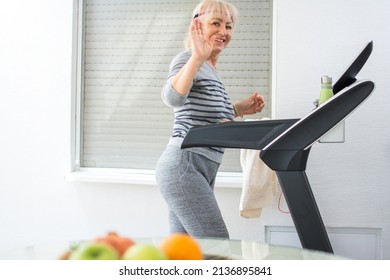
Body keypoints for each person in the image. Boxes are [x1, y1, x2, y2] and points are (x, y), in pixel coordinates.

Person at [155, 0, 265, 239]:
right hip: (185, 164)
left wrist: (238, 109)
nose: (224, 32)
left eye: (229, 26)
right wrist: (195, 58)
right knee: (217, 247)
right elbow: (173, 98)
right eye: (216, 23)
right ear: (198, 25)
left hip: (199, 167)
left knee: (183, 251)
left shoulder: (210, 69)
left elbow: (203, 115)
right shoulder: (187, 60)